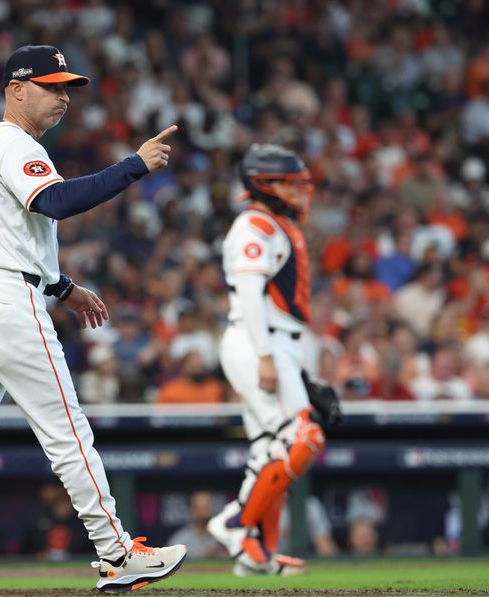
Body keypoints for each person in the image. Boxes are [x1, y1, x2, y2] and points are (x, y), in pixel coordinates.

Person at [0, 45, 187, 597]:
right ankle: (118, 554)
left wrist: (63, 287)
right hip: (4, 302)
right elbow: (57, 203)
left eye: (66, 87)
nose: (63, 96)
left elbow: (12, 232)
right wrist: (134, 164)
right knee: (68, 431)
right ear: (16, 89)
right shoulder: (13, 142)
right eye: (51, 86)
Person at [206, 144, 341, 576]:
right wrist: (266, 356)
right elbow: (249, 292)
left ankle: (255, 553)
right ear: (265, 184)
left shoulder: (275, 224)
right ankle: (235, 523)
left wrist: (294, 366)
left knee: (270, 448)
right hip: (255, 337)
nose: (300, 191)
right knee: (302, 438)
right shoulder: (255, 224)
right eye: (290, 183)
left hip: (275, 340)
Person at [167, 491, 226, 559]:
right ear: (191, 510)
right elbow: (170, 564)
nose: (205, 512)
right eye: (201, 507)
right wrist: (203, 555)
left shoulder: (223, 537)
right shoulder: (179, 540)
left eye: (207, 507)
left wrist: (224, 555)